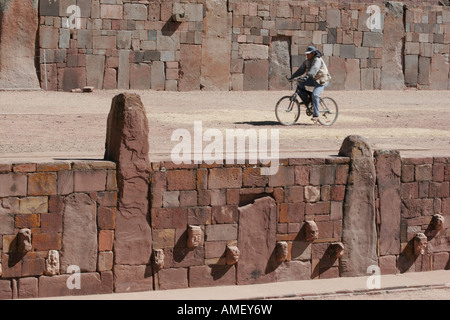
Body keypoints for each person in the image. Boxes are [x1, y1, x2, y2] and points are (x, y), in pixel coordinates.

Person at [288, 46, 331, 123]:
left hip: (322, 80)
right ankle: (307, 100)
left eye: (308, 54)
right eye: (306, 54)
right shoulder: (306, 61)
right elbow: (300, 70)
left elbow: (314, 69)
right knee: (300, 82)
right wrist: (292, 77)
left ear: (313, 53)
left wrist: (307, 76)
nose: (307, 56)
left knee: (315, 94)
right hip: (314, 79)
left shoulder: (317, 60)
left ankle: (316, 115)